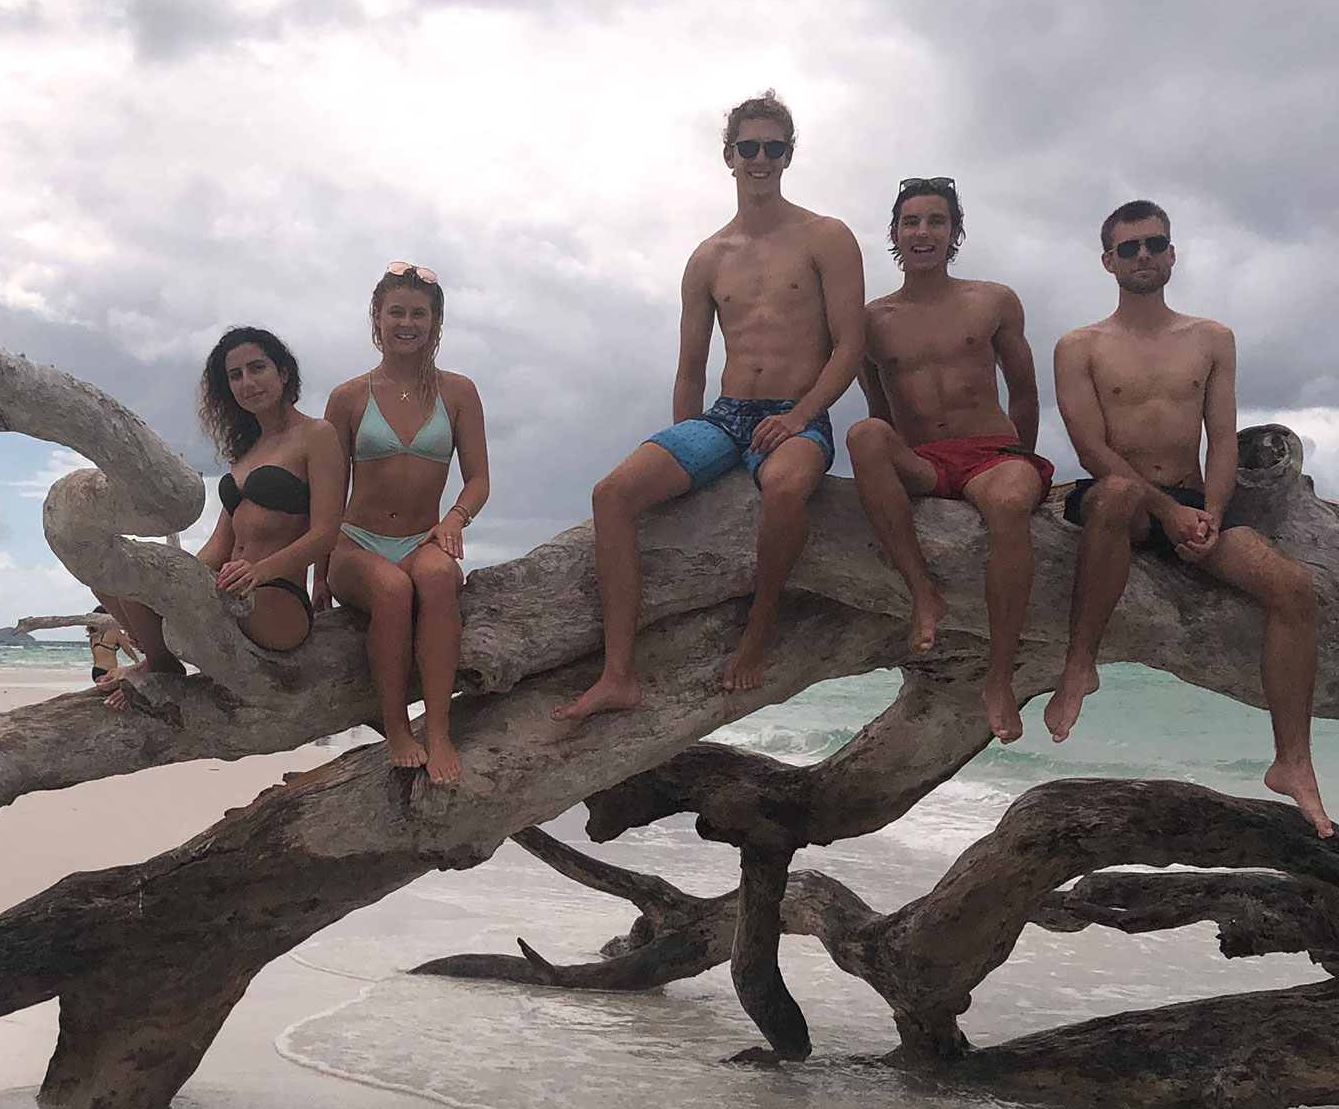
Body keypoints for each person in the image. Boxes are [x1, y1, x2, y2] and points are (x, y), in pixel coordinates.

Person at [555, 91, 866, 717]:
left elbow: (851, 346)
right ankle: (619, 674)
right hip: (724, 418)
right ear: (728, 157)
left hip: (797, 412)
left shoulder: (826, 237)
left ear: (788, 155)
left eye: (772, 148)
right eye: (748, 147)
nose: (760, 159)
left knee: (783, 490)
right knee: (611, 495)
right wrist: (686, 455)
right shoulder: (706, 257)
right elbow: (691, 365)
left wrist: (801, 417)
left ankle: (758, 632)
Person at [1047, 200, 1329, 836]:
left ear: (1172, 253)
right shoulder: (1078, 345)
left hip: (1196, 502)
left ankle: (1292, 761)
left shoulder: (1211, 339)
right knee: (1117, 494)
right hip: (1120, 500)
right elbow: (1091, 450)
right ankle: (1078, 666)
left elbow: (1222, 440)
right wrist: (1168, 510)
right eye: (1128, 248)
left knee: (1294, 587)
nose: (1142, 256)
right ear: (1107, 261)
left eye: (1154, 244)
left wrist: (1212, 515)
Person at [848, 178, 1052, 742]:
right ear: (894, 234)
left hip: (991, 454)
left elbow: (1025, 391)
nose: (923, 232)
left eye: (936, 221)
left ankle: (999, 675)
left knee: (1010, 501)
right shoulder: (870, 321)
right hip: (923, 460)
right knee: (865, 434)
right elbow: (877, 404)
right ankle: (923, 593)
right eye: (911, 222)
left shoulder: (993, 300)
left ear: (954, 232)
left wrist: (1022, 461)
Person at [96, 327, 344, 708]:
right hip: (229, 587)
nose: (247, 382)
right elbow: (220, 544)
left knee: (146, 579)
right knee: (111, 574)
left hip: (279, 601)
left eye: (257, 368)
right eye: (235, 375)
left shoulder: (317, 435)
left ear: (283, 372)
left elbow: (326, 533)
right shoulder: (244, 451)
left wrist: (261, 570)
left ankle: (158, 668)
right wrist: (168, 574)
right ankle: (157, 659)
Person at [321, 263, 491, 784]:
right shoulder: (348, 397)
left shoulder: (459, 392)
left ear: (436, 322)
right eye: (396, 312)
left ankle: (438, 731)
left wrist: (455, 519)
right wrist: (315, 582)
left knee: (439, 578)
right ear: (376, 317)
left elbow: (479, 479)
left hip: (424, 538)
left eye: (419, 313)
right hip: (355, 544)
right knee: (392, 591)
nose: (407, 323)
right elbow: (325, 495)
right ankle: (397, 728)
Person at [87, 605, 138, 682]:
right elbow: (127, 649)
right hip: (107, 671)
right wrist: (137, 661)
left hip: (96, 671)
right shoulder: (114, 631)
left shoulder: (93, 636)